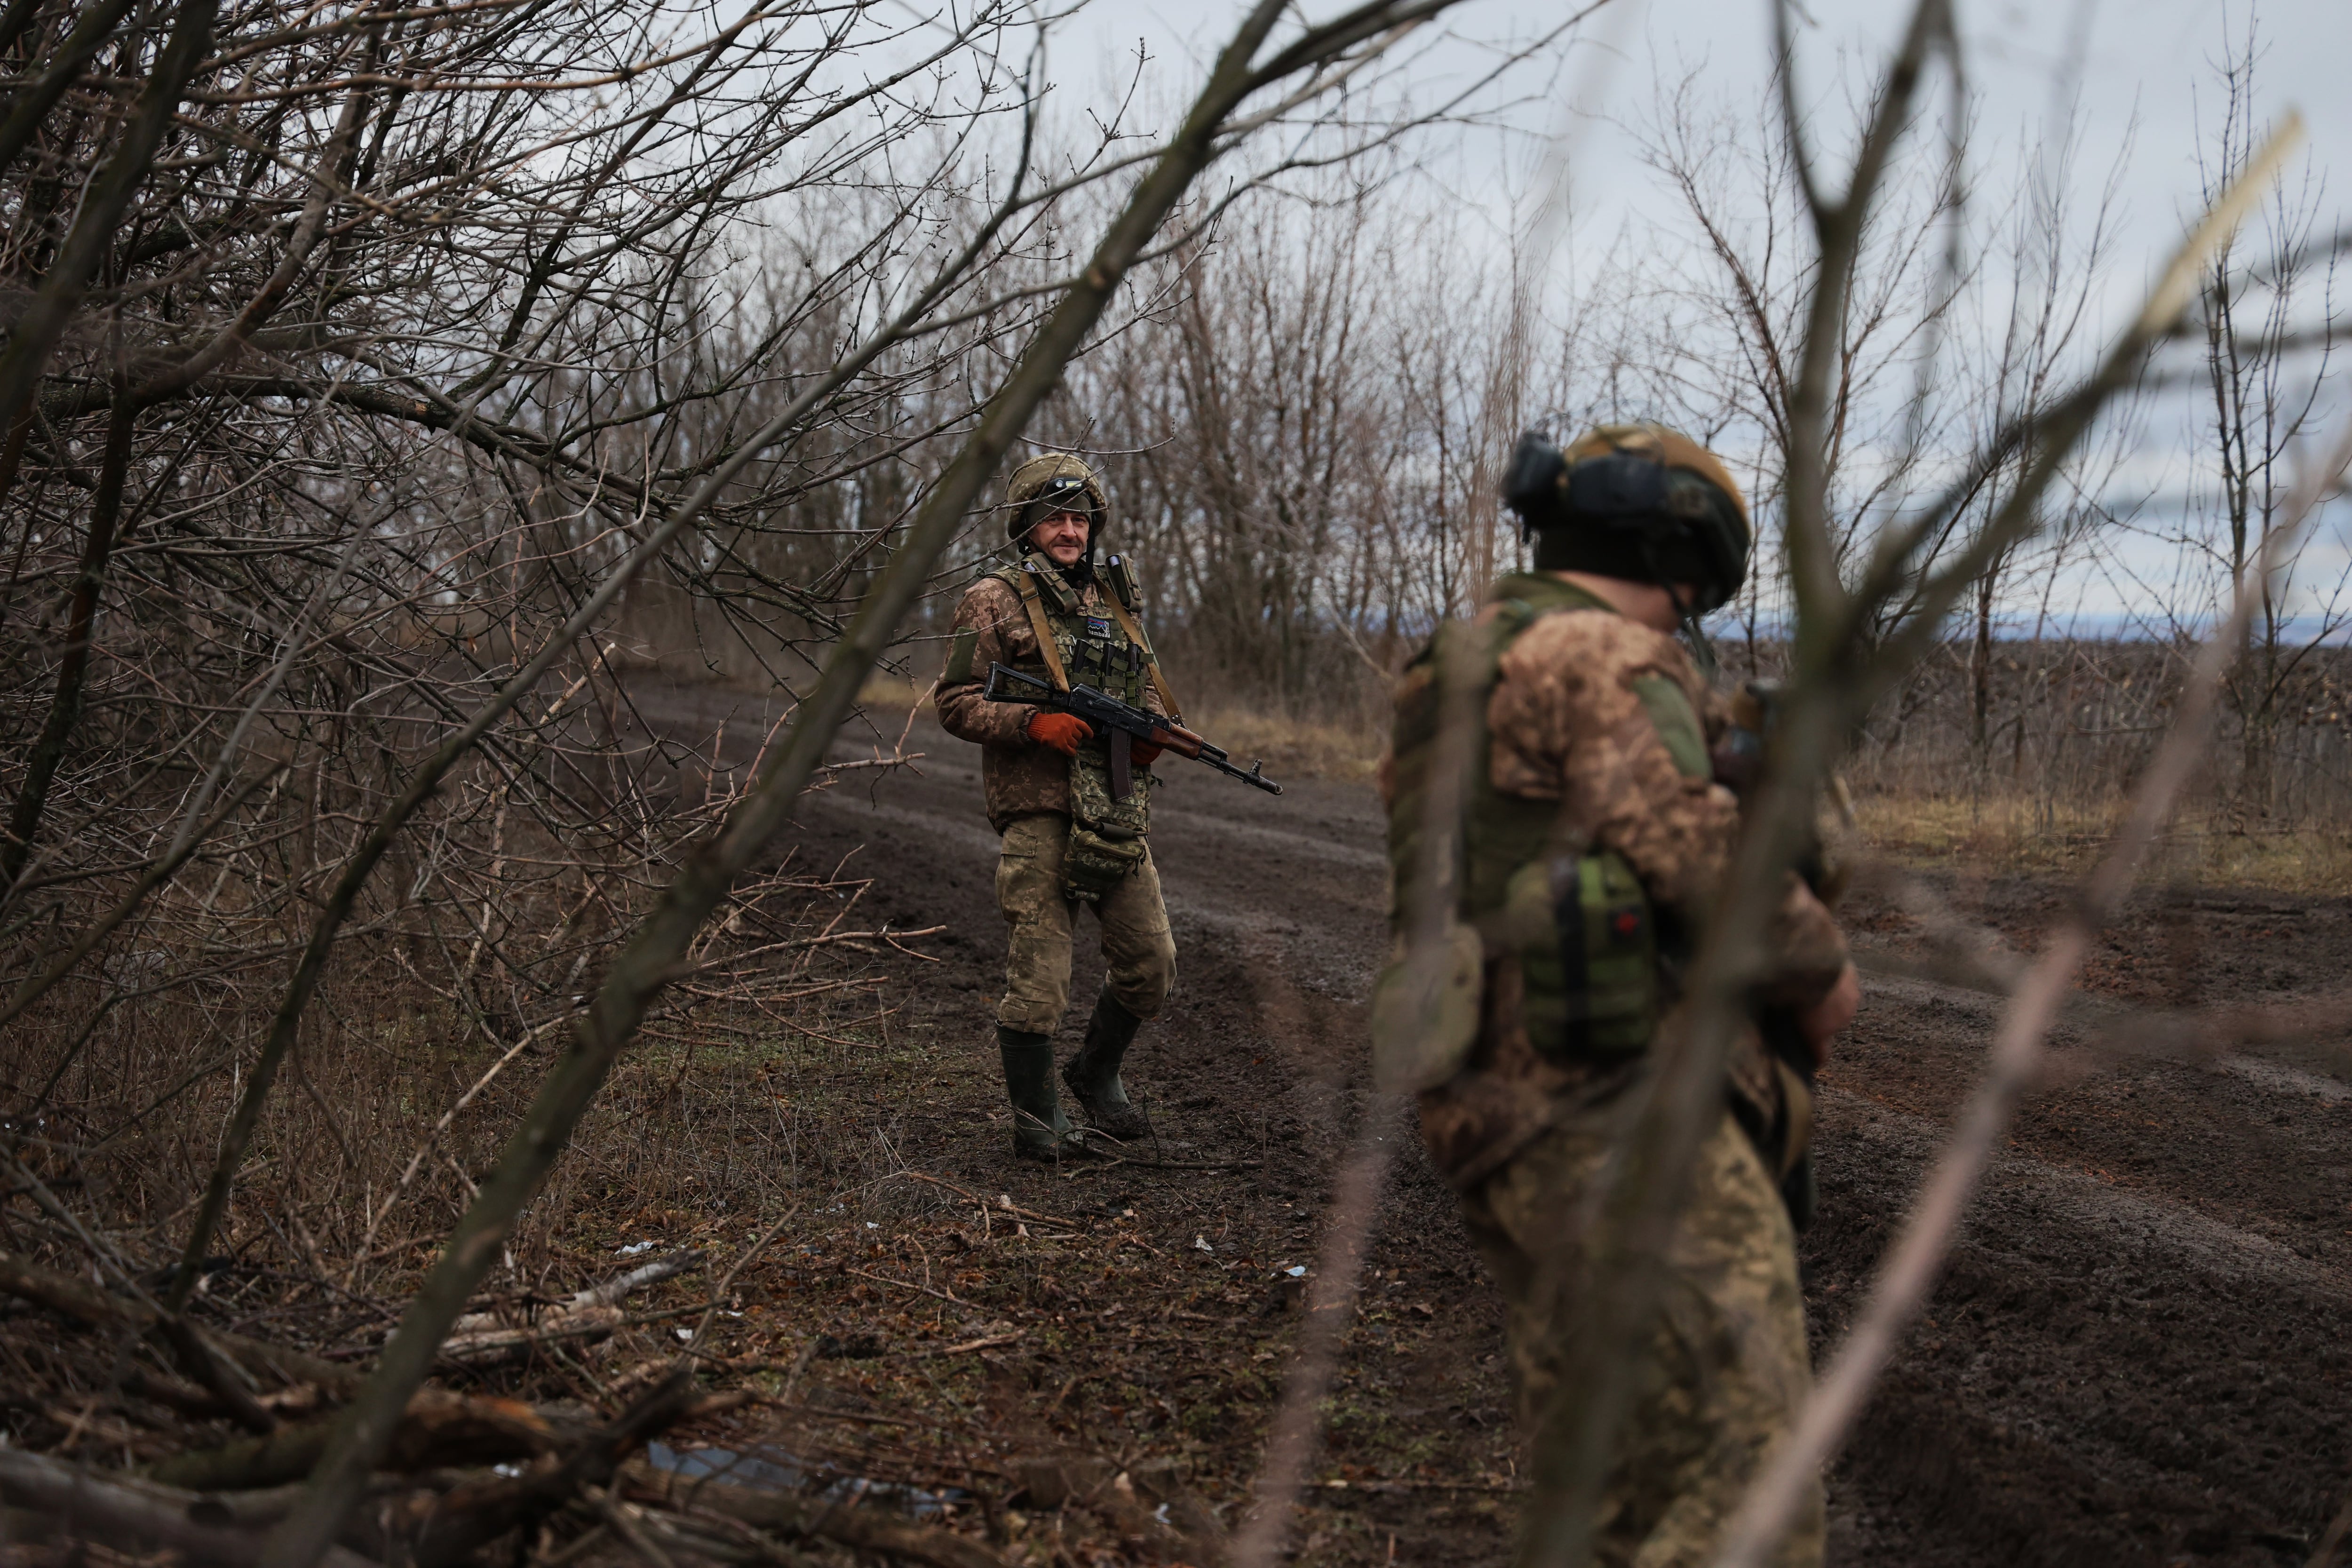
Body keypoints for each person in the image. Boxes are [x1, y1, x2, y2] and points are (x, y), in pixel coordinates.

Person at [1376, 423, 1862, 1567]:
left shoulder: (1456, 660)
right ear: (1678, 556)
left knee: (1605, 1490)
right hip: (1615, 1111)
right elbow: (1697, 857)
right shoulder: (1596, 650)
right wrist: (1822, 967)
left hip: (1497, 1115)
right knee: (1748, 1481)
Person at [935, 454, 1182, 1160]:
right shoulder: (990, 598)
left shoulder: (1113, 598)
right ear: (1028, 527)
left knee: (1153, 960)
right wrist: (1029, 723)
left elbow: (1148, 690)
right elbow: (952, 701)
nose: (1071, 531)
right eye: (1056, 520)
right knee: (1040, 976)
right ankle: (1037, 1121)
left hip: (1112, 806)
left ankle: (1096, 1074)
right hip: (1037, 805)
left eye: (1080, 519)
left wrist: (1150, 734)